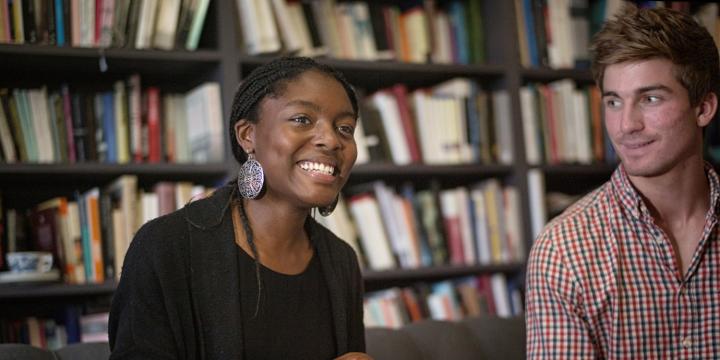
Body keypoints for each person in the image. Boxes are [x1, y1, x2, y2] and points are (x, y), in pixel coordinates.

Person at [108, 56, 371, 359]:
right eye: (302, 119)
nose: (331, 140)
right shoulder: (166, 247)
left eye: (345, 128)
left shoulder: (341, 262)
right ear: (248, 135)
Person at [526, 4, 720, 358]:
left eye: (650, 98)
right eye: (614, 102)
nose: (626, 125)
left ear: (703, 108)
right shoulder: (565, 251)